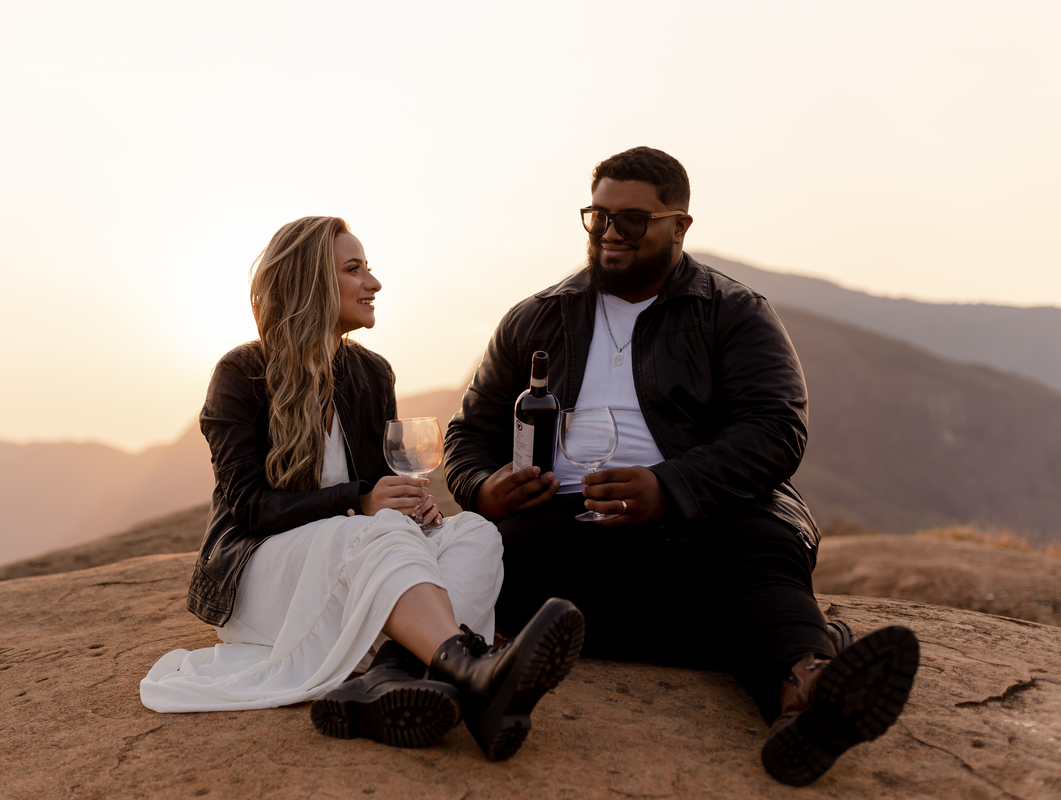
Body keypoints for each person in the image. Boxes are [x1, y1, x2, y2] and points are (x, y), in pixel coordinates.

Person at [444, 148, 920, 786]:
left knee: (756, 549)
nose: (610, 233)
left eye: (632, 220)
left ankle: (807, 698)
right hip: (565, 523)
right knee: (499, 560)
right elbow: (469, 433)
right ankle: (795, 646)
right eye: (597, 217)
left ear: (680, 225)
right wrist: (483, 487)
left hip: (707, 520)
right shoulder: (536, 317)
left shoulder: (733, 311)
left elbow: (775, 428)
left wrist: (670, 486)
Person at [140, 216, 584, 761]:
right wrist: (362, 502)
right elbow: (251, 507)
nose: (373, 283)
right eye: (354, 269)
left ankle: (391, 676)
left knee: (475, 532)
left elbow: (379, 491)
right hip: (263, 574)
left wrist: (408, 506)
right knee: (374, 532)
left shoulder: (372, 374)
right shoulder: (242, 373)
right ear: (310, 282)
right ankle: (471, 671)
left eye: (368, 268)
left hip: (351, 559)